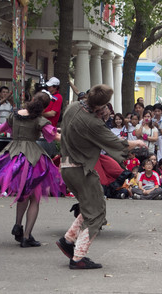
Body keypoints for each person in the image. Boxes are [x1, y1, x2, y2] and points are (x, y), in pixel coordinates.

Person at [55, 84, 145, 269]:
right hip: (82, 170)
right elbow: (118, 144)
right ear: (101, 106)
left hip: (66, 167)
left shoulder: (72, 107)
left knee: (90, 207)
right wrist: (137, 142)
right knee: (96, 214)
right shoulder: (93, 123)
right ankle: (78, 257)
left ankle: (68, 240)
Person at [0, 91, 65, 247]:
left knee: (22, 193)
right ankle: (26, 236)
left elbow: (0, 129)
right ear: (45, 106)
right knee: (34, 198)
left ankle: (17, 225)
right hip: (33, 157)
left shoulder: (15, 115)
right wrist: (74, 141)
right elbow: (54, 136)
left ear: (32, 99)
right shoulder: (40, 120)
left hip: (13, 155)